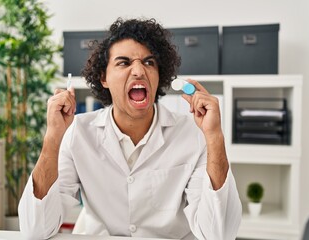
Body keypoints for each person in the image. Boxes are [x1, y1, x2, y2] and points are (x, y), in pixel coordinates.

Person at [18, 18, 242, 240]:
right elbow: (35, 230)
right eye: (124, 63)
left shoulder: (194, 134)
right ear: (103, 78)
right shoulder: (78, 132)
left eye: (149, 62)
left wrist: (214, 137)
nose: (139, 71)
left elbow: (219, 235)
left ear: (158, 75)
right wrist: (52, 138)